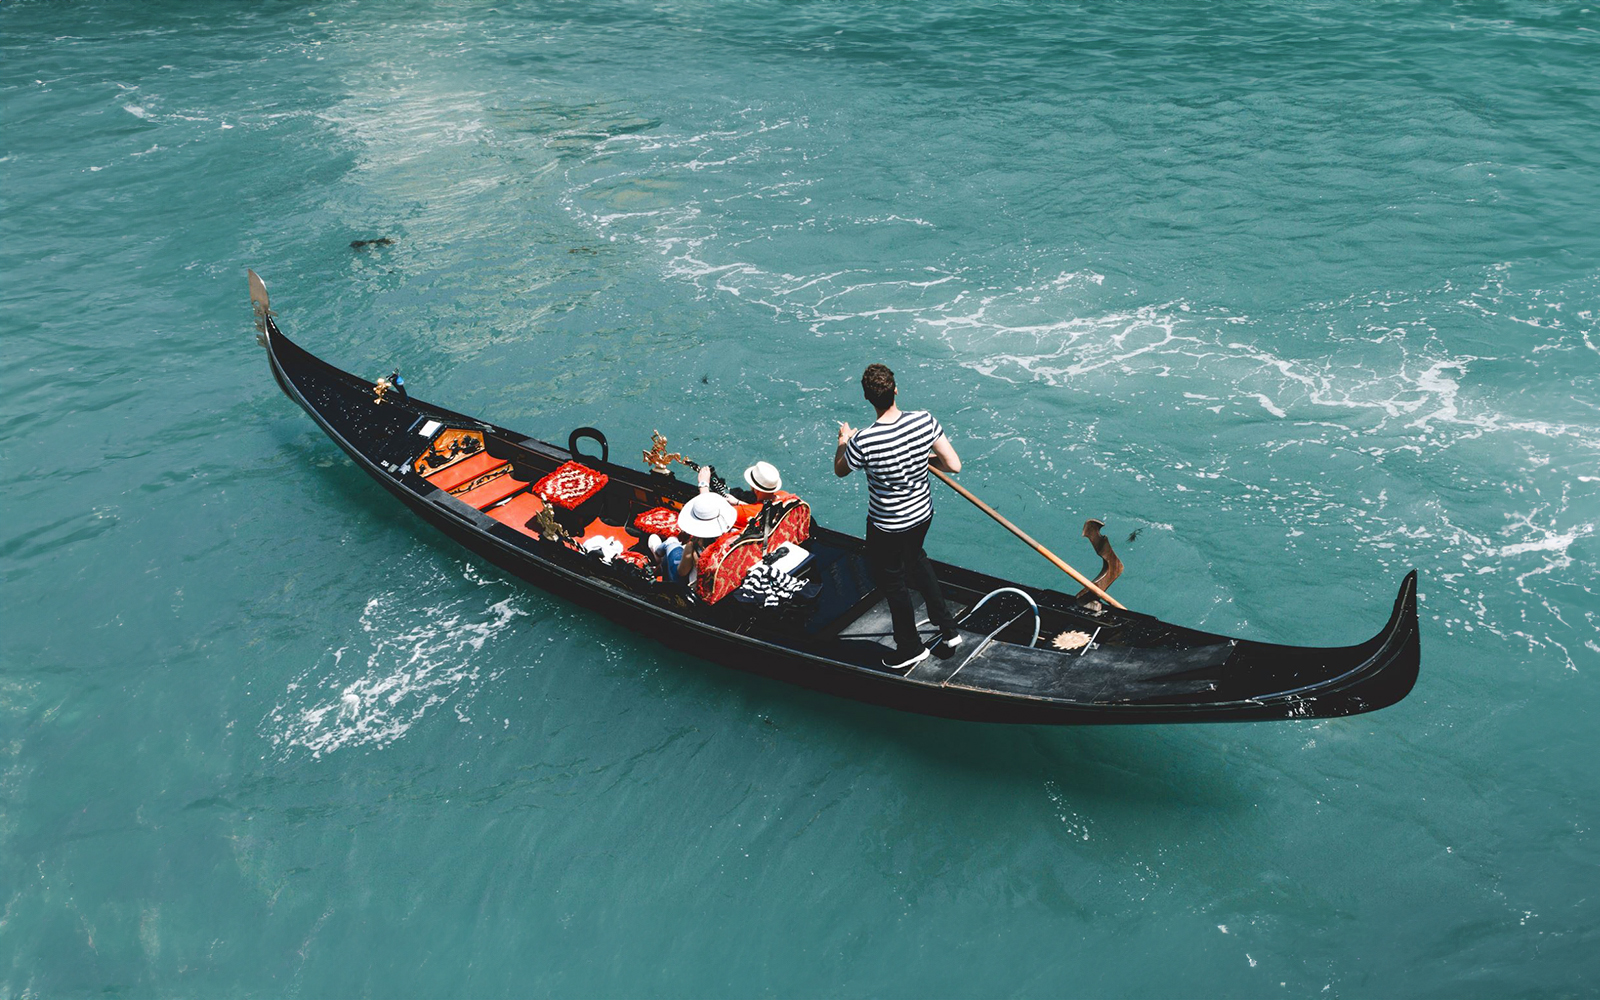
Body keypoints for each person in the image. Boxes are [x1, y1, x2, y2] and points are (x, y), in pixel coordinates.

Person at [834, 363, 963, 670]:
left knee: (893, 583)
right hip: (922, 514)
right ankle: (948, 629)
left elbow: (840, 469)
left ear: (867, 398)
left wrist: (843, 441)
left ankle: (910, 647)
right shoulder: (924, 421)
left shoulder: (863, 441)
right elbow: (953, 464)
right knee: (917, 559)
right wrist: (919, 457)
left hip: (887, 526)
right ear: (895, 389)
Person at [649, 468, 737, 587]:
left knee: (672, 542)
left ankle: (657, 554)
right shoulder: (731, 538)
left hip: (692, 589)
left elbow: (682, 572)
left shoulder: (694, 547)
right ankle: (660, 557)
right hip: (718, 587)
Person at [732, 460, 798, 527]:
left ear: (755, 488)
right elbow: (761, 507)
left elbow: (724, 514)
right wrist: (738, 502)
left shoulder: (741, 512)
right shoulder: (784, 495)